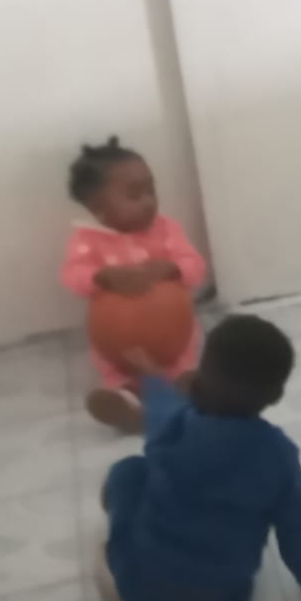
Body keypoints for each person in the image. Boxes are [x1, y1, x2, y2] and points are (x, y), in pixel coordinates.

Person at [93, 315, 301, 601]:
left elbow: (164, 409)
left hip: (137, 585)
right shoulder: (278, 456)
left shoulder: (175, 425)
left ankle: (119, 577)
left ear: (199, 374)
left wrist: (152, 375)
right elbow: (296, 533)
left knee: (129, 471)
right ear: (275, 396)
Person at [61, 137, 206, 432]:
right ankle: (127, 404)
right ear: (99, 208)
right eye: (134, 194)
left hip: (174, 336)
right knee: (120, 374)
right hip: (119, 345)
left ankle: (185, 388)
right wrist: (103, 276)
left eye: (151, 190)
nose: (148, 201)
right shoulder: (88, 240)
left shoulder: (166, 230)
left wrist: (172, 268)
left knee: (181, 367)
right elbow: (72, 276)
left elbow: (196, 267)